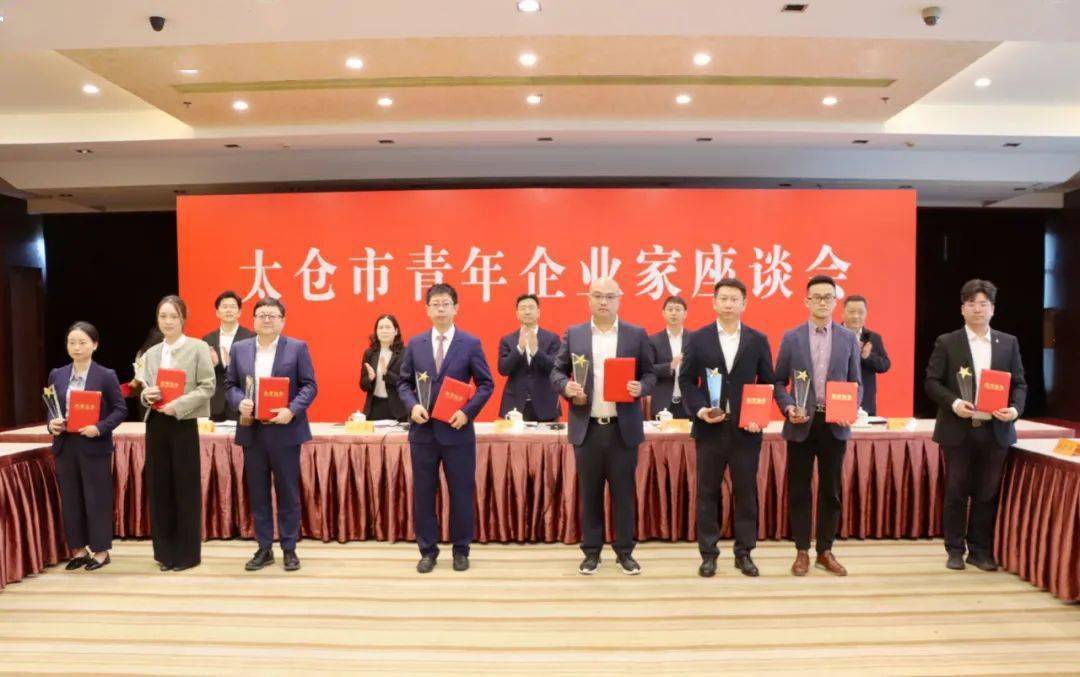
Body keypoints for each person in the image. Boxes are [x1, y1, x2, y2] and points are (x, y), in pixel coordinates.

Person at [551, 277, 656, 576]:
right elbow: (557, 371)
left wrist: (641, 387)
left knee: (624, 495)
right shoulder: (575, 334)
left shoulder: (636, 334)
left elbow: (650, 374)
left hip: (623, 430)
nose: (603, 301)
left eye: (610, 296)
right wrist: (566, 387)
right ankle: (591, 552)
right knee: (590, 494)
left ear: (619, 299)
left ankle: (625, 552)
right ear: (588, 299)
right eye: (597, 295)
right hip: (588, 429)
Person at [925, 279, 1026, 572]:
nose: (978, 309)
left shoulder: (1008, 342)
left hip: (995, 431)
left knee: (987, 494)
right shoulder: (947, 342)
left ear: (993, 309)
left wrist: (1014, 409)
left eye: (983, 304)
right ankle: (955, 549)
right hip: (958, 429)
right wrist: (955, 403)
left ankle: (980, 551)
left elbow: (1020, 383)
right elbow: (932, 382)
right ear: (962, 309)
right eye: (971, 304)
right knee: (956, 491)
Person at [678, 279, 774, 578]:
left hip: (746, 430)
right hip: (710, 428)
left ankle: (744, 553)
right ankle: (708, 554)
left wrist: (759, 413)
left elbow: (767, 381)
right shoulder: (698, 338)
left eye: (734, 299)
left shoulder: (758, 339)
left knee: (745, 492)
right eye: (723, 298)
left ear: (744, 304)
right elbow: (686, 380)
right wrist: (700, 410)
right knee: (707, 492)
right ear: (714, 302)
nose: (729, 304)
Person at [398, 283, 494, 574]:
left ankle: (461, 550)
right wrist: (412, 406)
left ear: (456, 308)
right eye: (435, 304)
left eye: (445, 304)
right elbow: (403, 383)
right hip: (423, 432)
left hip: (457, 432)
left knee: (461, 494)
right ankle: (427, 551)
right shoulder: (415, 343)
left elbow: (486, 384)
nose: (440, 309)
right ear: (427, 309)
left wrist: (467, 413)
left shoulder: (470, 343)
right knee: (424, 494)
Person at [773, 275, 862, 577]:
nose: (822, 302)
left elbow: (856, 383)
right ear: (806, 301)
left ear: (836, 302)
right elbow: (778, 382)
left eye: (828, 297)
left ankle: (825, 550)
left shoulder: (848, 339)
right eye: (817, 297)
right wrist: (788, 407)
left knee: (831, 491)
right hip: (801, 423)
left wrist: (850, 409)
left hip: (834, 423)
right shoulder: (792, 338)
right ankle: (801, 551)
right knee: (799, 489)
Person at [225, 297, 318, 572]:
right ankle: (264, 547)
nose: (267, 319)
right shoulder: (240, 349)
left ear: (282, 320)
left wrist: (292, 410)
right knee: (258, 492)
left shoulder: (297, 347)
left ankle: (289, 548)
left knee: (288, 492)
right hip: (252, 431)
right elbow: (229, 385)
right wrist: (239, 402)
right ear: (253, 320)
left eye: (272, 315)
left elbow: (310, 386)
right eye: (262, 315)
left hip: (285, 431)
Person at [140, 295, 215, 572]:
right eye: (163, 316)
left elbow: (208, 386)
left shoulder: (198, 348)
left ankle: (187, 555)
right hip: (156, 424)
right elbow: (145, 387)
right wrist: (146, 396)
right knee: (159, 488)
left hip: (183, 423)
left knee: (185, 488)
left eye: (173, 316)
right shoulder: (151, 353)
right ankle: (164, 553)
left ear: (183, 318)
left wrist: (179, 405)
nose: (168, 321)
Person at [46, 322, 127, 571]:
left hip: (94, 445)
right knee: (71, 499)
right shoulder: (57, 374)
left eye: (82, 342)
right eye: (72, 342)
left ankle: (101, 551)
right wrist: (52, 424)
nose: (76, 347)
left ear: (95, 345)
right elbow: (50, 406)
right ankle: (79, 549)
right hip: (65, 445)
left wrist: (99, 427)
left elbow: (120, 410)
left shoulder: (105, 375)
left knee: (96, 498)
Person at [497, 294, 562, 422]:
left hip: (546, 406)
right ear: (517, 314)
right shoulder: (507, 340)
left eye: (531, 308)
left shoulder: (552, 338)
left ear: (538, 312)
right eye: (523, 308)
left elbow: (555, 368)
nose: (527, 312)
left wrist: (536, 352)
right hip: (515, 406)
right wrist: (519, 349)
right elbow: (503, 370)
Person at [203, 290, 255, 422]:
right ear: (217, 312)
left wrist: (232, 364)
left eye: (232, 307)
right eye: (224, 307)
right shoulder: (207, 339)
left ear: (239, 312)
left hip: (241, 402)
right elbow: (203, 374)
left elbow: (254, 371)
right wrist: (214, 365)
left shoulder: (251, 338)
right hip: (215, 402)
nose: (229, 310)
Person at [841, 295, 891, 415]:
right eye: (851, 312)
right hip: (838, 397)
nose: (856, 316)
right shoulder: (832, 334)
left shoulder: (873, 337)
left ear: (866, 314)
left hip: (865, 401)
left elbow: (885, 365)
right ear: (843, 313)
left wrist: (867, 357)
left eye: (860, 312)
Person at [360, 314, 407, 422]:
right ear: (376, 331)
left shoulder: (405, 353)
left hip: (398, 410)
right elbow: (363, 385)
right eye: (380, 328)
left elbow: (406, 383)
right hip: (374, 408)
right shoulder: (370, 353)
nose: (384, 330)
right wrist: (370, 378)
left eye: (388, 327)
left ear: (396, 331)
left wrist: (387, 373)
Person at [649, 295, 690, 419]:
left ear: (685, 314)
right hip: (662, 405)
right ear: (663, 313)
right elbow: (648, 370)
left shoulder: (694, 339)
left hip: (688, 405)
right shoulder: (653, 340)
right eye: (670, 309)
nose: (674, 313)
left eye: (678, 309)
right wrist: (670, 366)